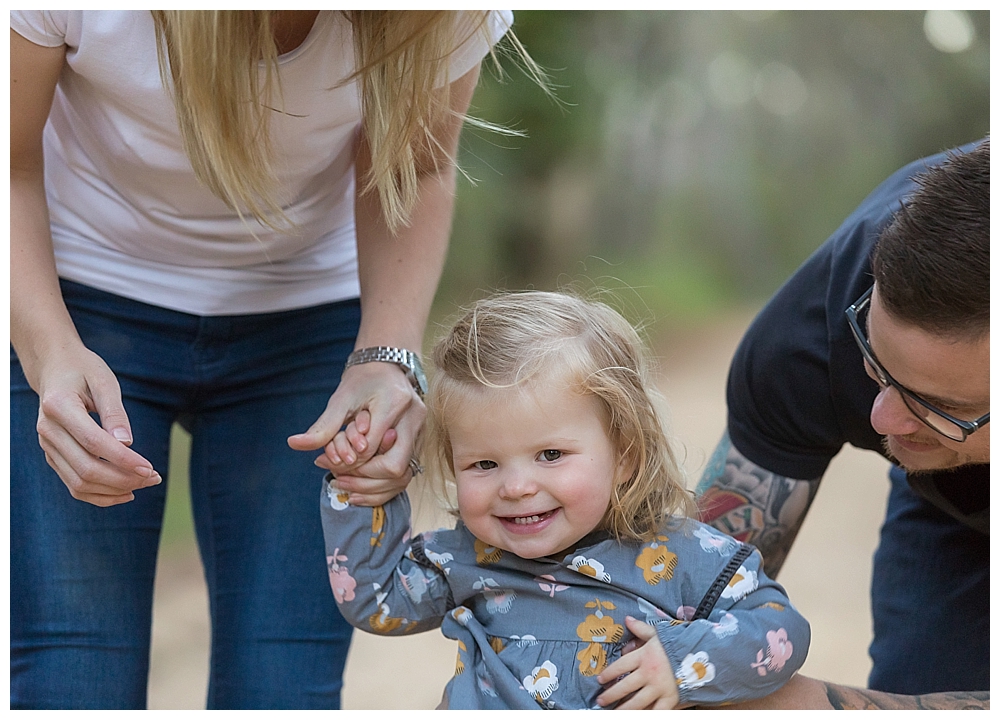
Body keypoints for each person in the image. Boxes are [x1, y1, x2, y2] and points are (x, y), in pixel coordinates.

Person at [9, 10, 529, 709]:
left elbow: (415, 166)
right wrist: (49, 355)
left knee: (283, 686)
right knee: (75, 674)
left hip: (309, 323)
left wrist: (388, 356)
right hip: (81, 302)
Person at [320, 291, 811, 710]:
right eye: (483, 464)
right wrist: (360, 489)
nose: (515, 487)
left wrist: (684, 661)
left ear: (625, 456)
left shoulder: (682, 556)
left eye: (550, 454)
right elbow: (376, 601)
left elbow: (780, 630)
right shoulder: (464, 558)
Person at [695, 139, 989, 703]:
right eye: (876, 366)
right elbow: (690, 597)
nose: (882, 417)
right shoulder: (810, 336)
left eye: (940, 406)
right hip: (952, 491)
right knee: (926, 671)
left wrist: (797, 702)